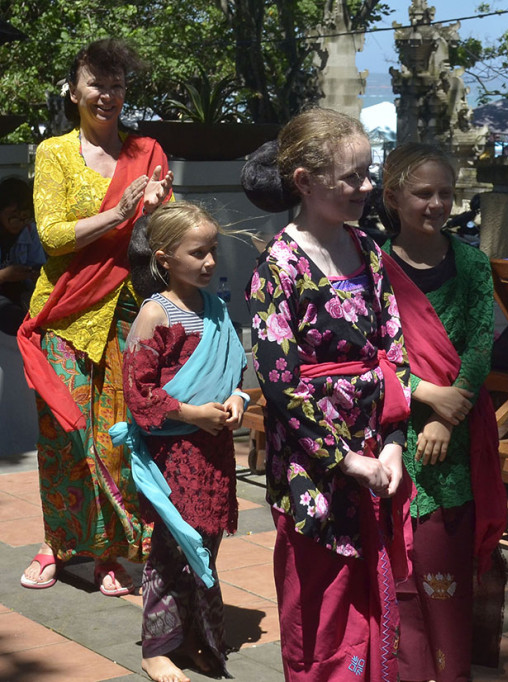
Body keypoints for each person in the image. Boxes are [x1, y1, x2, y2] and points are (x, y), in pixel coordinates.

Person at [244, 108, 411, 681]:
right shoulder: (277, 268)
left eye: (369, 172)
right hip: (312, 466)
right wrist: (346, 461)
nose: (367, 187)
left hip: (374, 450)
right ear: (306, 182)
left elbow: (396, 348)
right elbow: (282, 386)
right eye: (352, 177)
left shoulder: (368, 247)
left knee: (373, 593)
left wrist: (391, 443)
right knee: (320, 605)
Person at [17, 38, 174, 594]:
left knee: (116, 439)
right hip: (64, 314)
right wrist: (120, 211)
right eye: (96, 83)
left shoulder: (147, 151)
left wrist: (156, 213)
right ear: (74, 89)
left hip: (129, 315)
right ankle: (56, 544)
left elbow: (165, 237)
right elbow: (54, 237)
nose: (107, 95)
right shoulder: (54, 153)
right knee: (65, 437)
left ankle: (113, 551)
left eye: (117, 84)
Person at [379, 143, 506, 682]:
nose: (436, 204)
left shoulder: (473, 263)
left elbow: (480, 346)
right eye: (422, 193)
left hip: (459, 433)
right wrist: (428, 398)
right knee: (401, 572)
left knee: (447, 570)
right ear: (393, 197)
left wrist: (447, 415)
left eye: (446, 194)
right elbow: (371, 353)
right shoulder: (371, 267)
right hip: (391, 432)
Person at [114, 202, 246, 682]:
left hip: (213, 449)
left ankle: (193, 638)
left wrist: (236, 400)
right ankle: (157, 647)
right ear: (165, 258)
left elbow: (235, 368)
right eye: (198, 253)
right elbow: (138, 393)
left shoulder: (216, 309)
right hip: (175, 454)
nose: (210, 262)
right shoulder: (156, 313)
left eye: (213, 251)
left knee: (205, 543)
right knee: (174, 544)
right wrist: (190, 413)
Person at [0, 176, 44, 335]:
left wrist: (37, 274)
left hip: (21, 292)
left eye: (24, 216)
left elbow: (38, 264)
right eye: (12, 215)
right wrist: (4, 276)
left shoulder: (30, 231)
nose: (18, 221)